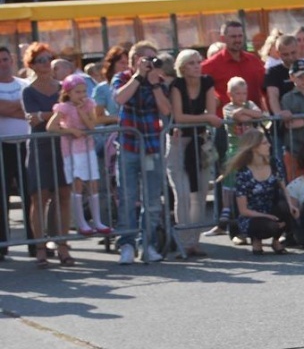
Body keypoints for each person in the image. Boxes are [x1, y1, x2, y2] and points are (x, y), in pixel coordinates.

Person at [112, 40, 172, 264]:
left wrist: (155, 84)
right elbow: (119, 99)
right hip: (128, 146)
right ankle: (126, 244)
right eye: (147, 59)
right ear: (135, 60)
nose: (151, 64)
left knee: (153, 200)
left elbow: (166, 110)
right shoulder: (123, 78)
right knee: (127, 198)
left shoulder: (159, 81)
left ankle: (148, 244)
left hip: (151, 146)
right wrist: (138, 76)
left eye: (153, 59)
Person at [22, 43, 75, 267]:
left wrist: (44, 116)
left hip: (61, 144)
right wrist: (53, 114)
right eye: (41, 60)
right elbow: (32, 118)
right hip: (39, 147)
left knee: (64, 194)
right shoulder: (28, 90)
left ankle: (63, 246)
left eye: (48, 58)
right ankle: (40, 248)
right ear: (32, 64)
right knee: (39, 197)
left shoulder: (62, 87)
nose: (46, 63)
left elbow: (67, 113)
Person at [168, 49, 221, 258]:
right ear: (182, 68)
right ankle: (184, 240)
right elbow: (179, 117)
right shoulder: (177, 85)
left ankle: (194, 243)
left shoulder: (207, 82)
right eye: (191, 63)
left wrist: (203, 118)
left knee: (199, 194)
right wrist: (203, 118)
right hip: (178, 142)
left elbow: (210, 114)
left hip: (200, 142)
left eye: (198, 62)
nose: (197, 66)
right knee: (182, 194)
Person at [46, 74, 109, 237]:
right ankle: (81, 222)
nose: (82, 95)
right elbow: (51, 127)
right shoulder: (64, 107)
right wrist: (70, 130)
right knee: (78, 183)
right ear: (69, 93)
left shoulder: (88, 104)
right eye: (77, 92)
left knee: (93, 182)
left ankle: (97, 221)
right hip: (72, 148)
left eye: (84, 91)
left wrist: (82, 112)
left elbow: (92, 125)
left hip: (87, 147)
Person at [219, 128, 297, 255]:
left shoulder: (274, 162)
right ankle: (256, 239)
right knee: (268, 225)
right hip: (252, 215)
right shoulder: (243, 173)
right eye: (265, 143)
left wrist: (291, 205)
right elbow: (244, 210)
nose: (269, 145)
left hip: (271, 208)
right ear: (254, 147)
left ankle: (276, 241)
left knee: (288, 209)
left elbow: (284, 187)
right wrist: (267, 217)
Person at [216, 77, 265, 235]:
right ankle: (226, 208)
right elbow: (238, 117)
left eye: (244, 93)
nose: (241, 97)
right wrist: (246, 114)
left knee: (247, 184)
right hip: (234, 149)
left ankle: (249, 221)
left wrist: (245, 111)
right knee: (230, 180)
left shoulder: (249, 104)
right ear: (229, 94)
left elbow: (259, 114)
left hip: (250, 150)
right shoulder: (227, 107)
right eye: (237, 93)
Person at [0, 45, 34, 261]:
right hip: (3, 147)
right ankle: (2, 244)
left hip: (27, 145)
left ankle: (35, 242)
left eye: (5, 59)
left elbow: (32, 110)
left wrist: (11, 108)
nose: (2, 64)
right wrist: (18, 108)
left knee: (30, 194)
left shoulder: (25, 85)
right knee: (2, 196)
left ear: (11, 60)